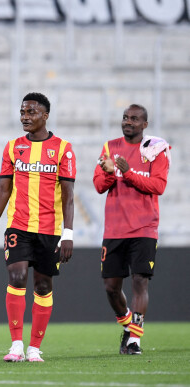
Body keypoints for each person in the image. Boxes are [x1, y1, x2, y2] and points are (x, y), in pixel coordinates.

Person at [0, 92, 75, 363]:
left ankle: (34, 348)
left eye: (31, 112)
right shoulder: (12, 147)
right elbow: (2, 190)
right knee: (17, 277)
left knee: (42, 285)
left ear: (45, 115)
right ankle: (16, 345)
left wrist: (68, 233)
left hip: (50, 230)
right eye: (23, 112)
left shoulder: (63, 148)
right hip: (18, 226)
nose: (25, 117)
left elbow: (68, 195)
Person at [93, 104, 170, 356]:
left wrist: (126, 172)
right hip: (115, 228)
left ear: (144, 125)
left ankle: (135, 339)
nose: (128, 122)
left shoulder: (156, 149)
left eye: (135, 119)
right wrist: (107, 173)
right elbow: (99, 185)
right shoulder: (110, 147)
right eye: (125, 118)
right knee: (110, 287)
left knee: (140, 281)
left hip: (144, 227)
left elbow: (158, 186)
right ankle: (127, 324)